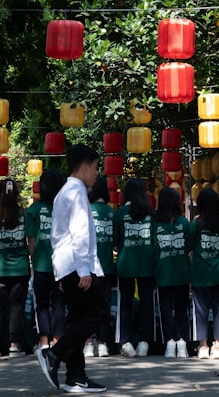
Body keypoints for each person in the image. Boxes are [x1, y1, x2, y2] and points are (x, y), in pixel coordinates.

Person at [36, 143, 107, 393]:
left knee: (78, 317)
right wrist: (84, 270)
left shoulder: (65, 192)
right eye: (96, 168)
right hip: (78, 265)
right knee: (97, 312)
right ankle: (53, 355)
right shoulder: (75, 192)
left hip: (67, 264)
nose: (97, 173)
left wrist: (62, 271)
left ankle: (76, 377)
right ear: (85, 167)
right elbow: (79, 233)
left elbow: (60, 236)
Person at [0, 178, 31, 358]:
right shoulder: (24, 215)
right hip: (20, 268)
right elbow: (29, 240)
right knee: (16, 307)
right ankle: (14, 345)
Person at [114, 178, 155, 358]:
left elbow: (115, 241)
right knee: (147, 303)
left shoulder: (120, 213)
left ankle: (126, 341)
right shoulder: (151, 214)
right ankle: (145, 342)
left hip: (126, 265)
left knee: (125, 304)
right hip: (147, 264)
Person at [27, 168, 66, 352]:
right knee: (59, 302)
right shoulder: (65, 208)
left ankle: (43, 342)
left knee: (41, 304)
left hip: (41, 265)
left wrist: (33, 263)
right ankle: (57, 340)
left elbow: (31, 240)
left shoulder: (33, 209)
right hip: (62, 265)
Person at [190, 187, 219, 360]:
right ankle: (218, 346)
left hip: (201, 273)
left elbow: (189, 244)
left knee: (201, 311)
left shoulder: (196, 224)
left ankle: (203, 346)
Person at [154, 186, 192, 359]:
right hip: (182, 272)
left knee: (166, 309)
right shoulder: (184, 223)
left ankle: (169, 341)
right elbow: (190, 244)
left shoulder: (155, 223)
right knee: (182, 308)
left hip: (163, 273)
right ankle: (182, 341)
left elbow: (153, 248)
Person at [85, 176, 115, 358]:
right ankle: (102, 343)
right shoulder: (112, 213)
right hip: (107, 267)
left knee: (88, 306)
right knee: (104, 306)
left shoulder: (87, 211)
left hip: (88, 268)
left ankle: (88, 342)